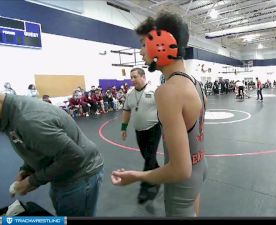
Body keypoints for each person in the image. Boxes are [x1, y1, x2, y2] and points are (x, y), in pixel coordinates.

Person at [111, 11, 207, 217]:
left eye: (143, 44)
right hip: (200, 167)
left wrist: (136, 176)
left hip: (182, 183)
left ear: (162, 44)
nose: (141, 51)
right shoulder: (195, 83)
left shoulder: (168, 91)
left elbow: (181, 169)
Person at [0, 93, 104, 216]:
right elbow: (32, 144)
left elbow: (74, 156)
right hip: (64, 176)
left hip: (79, 176)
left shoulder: (28, 121)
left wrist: (32, 181)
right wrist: (27, 169)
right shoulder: (10, 114)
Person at [121, 67, 162, 204]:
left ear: (143, 77)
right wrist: (123, 128)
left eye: (135, 77)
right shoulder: (130, 94)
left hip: (154, 129)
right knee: (147, 157)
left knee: (149, 158)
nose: (132, 80)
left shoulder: (154, 90)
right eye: (131, 77)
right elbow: (126, 111)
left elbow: (165, 109)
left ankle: (145, 188)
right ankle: (159, 173)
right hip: (139, 131)